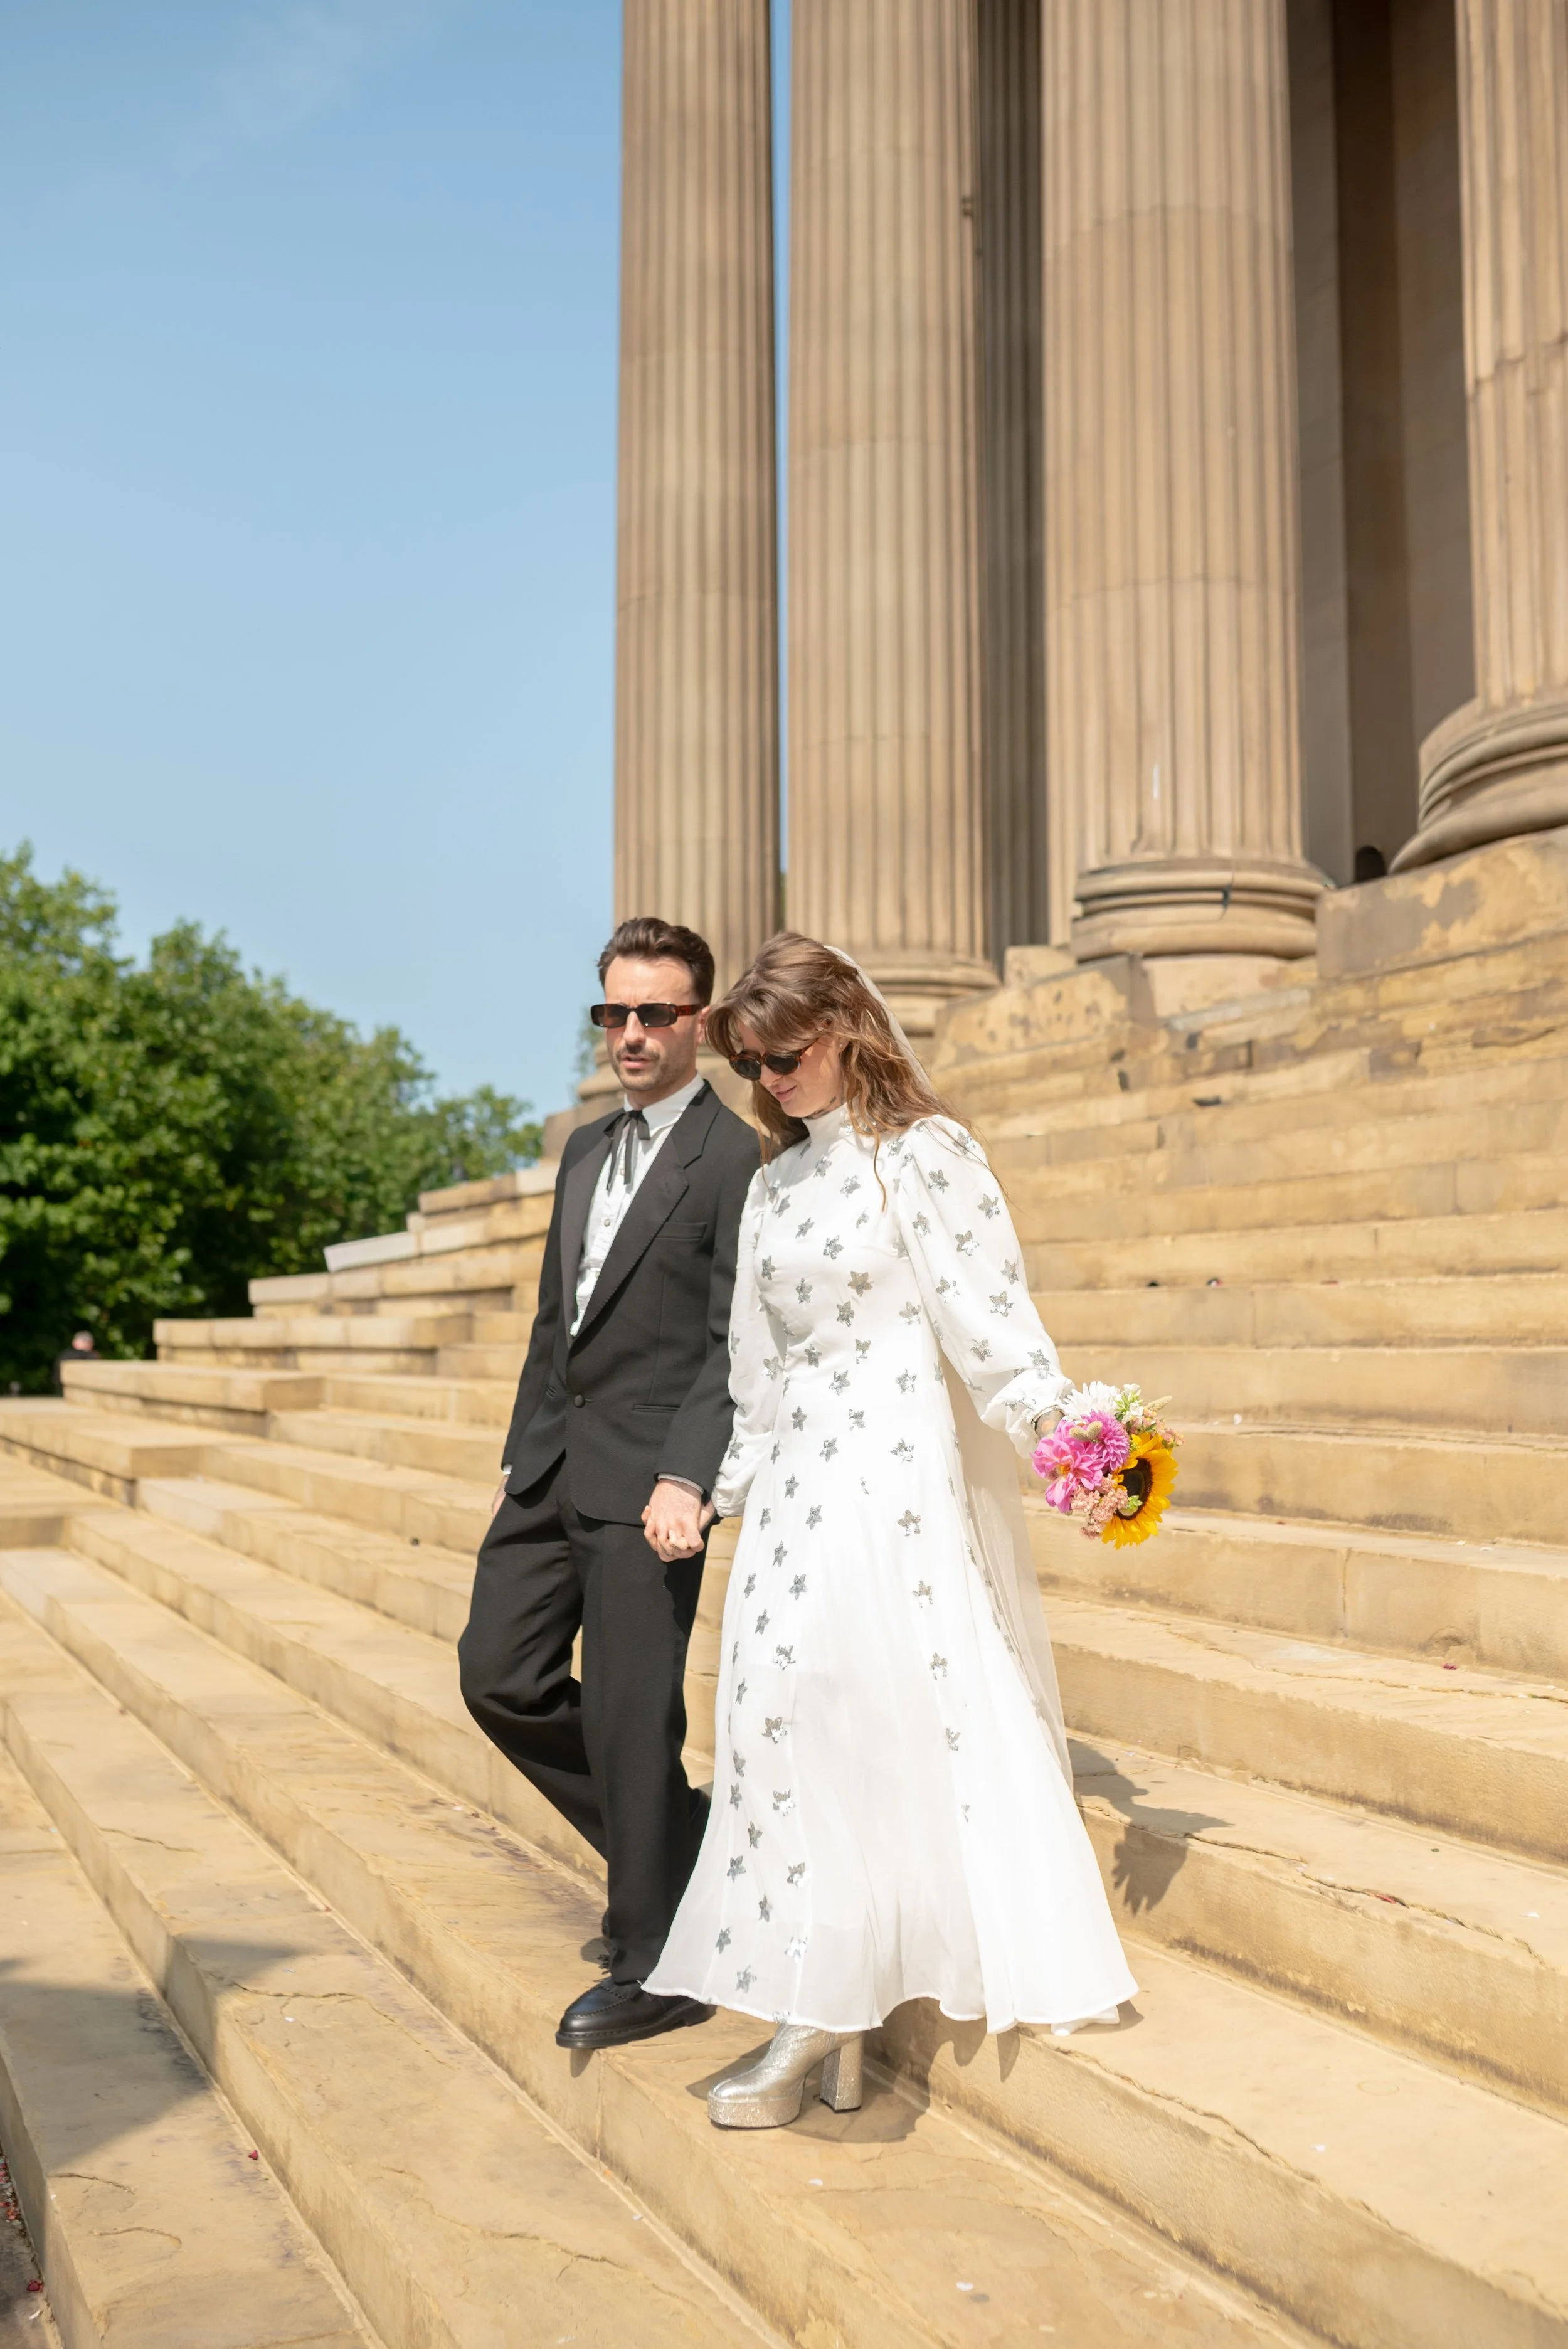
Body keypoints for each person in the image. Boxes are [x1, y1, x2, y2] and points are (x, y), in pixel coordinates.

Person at [645, 932, 1137, 2128]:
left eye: (786, 1054)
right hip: (798, 1500)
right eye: (750, 1063)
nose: (769, 1080)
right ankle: (828, 2006)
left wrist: (1075, 1448)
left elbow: (994, 1327)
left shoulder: (924, 1157)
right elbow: (753, 1370)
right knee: (771, 1718)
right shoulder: (771, 1185)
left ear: (849, 1029)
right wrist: (724, 1489)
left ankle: (822, 2018)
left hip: (893, 1482)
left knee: (845, 1718)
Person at [459, 916, 760, 2051]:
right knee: (498, 1677)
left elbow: (735, 1345)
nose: (630, 1035)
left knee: (636, 1719)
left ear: (701, 1025)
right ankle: (679, 1847)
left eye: (654, 1015)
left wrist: (694, 1477)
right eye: (614, 1014)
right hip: (549, 1471)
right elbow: (557, 1323)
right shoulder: (588, 1150)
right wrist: (515, 1457)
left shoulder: (735, 1161)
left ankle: (659, 1960)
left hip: (652, 1492)